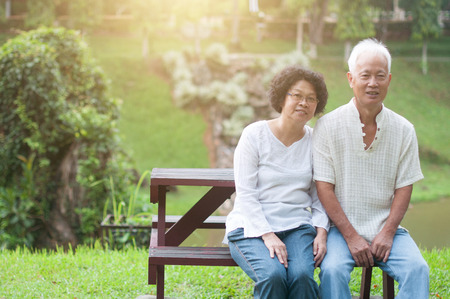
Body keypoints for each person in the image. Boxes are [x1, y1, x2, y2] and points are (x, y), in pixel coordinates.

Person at [313, 38, 429, 298]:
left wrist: (387, 232)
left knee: (418, 269)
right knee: (331, 272)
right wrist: (352, 237)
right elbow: (324, 188)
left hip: (388, 230)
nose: (372, 83)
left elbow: (404, 187)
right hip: (340, 231)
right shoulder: (327, 126)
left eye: (380, 76)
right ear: (351, 79)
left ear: (389, 79)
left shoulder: (404, 129)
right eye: (365, 75)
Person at [225, 65, 330, 299]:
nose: (304, 103)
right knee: (273, 275)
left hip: (296, 227)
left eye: (311, 98)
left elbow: (320, 195)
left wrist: (321, 232)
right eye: (297, 95)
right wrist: (268, 235)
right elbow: (246, 194)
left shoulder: (316, 141)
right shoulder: (254, 135)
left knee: (302, 276)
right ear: (282, 96)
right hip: (250, 228)